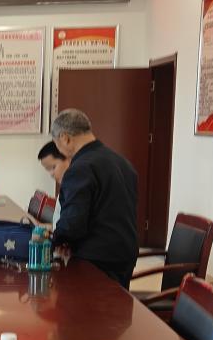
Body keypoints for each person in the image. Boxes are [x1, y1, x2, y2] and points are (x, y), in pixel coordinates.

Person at [49, 109, 138, 287]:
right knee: (116, 302)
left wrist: (53, 241)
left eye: (56, 143)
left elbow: (73, 222)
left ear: (65, 138)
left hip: (96, 258)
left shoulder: (80, 168)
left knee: (87, 304)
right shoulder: (122, 162)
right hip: (125, 254)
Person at [37, 140, 69, 225]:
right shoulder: (64, 189)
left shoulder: (79, 189)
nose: (51, 174)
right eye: (48, 169)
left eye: (53, 167)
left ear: (69, 159)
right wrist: (51, 227)